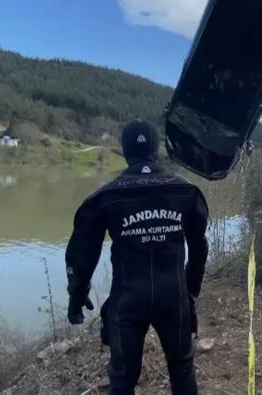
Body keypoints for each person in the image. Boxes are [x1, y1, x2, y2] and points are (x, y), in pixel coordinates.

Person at [65, 119, 209, 395]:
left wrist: (77, 294)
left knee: (122, 378)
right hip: (173, 296)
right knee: (182, 368)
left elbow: (82, 253)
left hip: (127, 299)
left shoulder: (105, 196)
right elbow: (200, 246)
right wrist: (190, 289)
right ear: (157, 150)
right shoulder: (186, 191)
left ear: (125, 150)